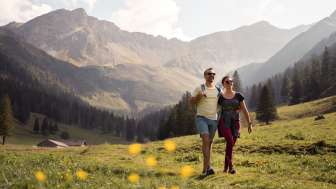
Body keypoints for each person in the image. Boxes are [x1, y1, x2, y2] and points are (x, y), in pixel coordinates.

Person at [217, 76, 252, 174]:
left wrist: (249, 123)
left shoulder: (238, 95)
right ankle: (231, 167)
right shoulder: (220, 97)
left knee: (230, 145)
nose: (230, 83)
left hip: (235, 122)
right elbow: (215, 109)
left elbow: (244, 109)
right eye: (227, 81)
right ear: (223, 84)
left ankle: (225, 168)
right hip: (224, 121)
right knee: (230, 141)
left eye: (231, 81)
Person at [190, 68, 221, 176]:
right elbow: (191, 101)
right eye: (209, 74)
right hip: (201, 118)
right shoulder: (200, 88)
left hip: (214, 119)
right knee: (206, 140)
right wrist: (199, 96)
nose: (211, 75)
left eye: (213, 74)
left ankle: (205, 169)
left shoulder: (218, 89)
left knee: (209, 143)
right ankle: (208, 168)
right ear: (205, 76)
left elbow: (222, 102)